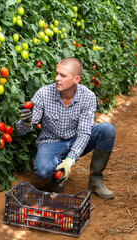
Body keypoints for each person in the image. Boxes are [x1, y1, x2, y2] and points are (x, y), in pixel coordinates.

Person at [16, 57, 115, 199]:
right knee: (43, 170)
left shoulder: (88, 97)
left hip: (76, 139)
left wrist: (70, 160)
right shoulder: (44, 94)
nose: (57, 78)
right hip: (51, 142)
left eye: (62, 75)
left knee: (107, 130)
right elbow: (21, 132)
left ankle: (95, 180)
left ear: (76, 79)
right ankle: (57, 176)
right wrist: (25, 122)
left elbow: (84, 133)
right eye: (57, 74)